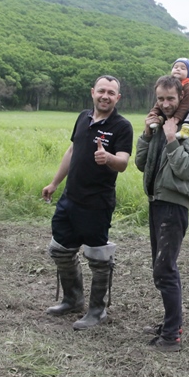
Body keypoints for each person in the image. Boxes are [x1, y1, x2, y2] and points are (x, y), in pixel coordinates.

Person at [41, 75, 133, 330]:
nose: (105, 96)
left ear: (117, 98)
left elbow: (123, 162)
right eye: (101, 91)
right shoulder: (83, 117)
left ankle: (97, 310)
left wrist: (108, 158)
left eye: (111, 93)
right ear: (93, 92)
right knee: (61, 249)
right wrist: (54, 183)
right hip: (70, 198)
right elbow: (72, 151)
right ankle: (72, 299)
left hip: (97, 203)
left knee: (98, 257)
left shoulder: (122, 126)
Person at [136, 74, 189, 351]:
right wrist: (147, 135)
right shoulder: (160, 126)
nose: (165, 104)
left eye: (171, 98)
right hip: (156, 202)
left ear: (182, 97)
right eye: (160, 99)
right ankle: (171, 325)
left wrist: (171, 140)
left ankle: (171, 336)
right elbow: (141, 163)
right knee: (161, 268)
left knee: (165, 268)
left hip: (174, 206)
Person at [149, 58, 189, 139]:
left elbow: (184, 106)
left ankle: (186, 129)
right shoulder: (172, 85)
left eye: (183, 68)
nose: (178, 69)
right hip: (188, 106)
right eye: (175, 67)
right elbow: (159, 103)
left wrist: (175, 120)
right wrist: (153, 114)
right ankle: (159, 119)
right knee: (167, 107)